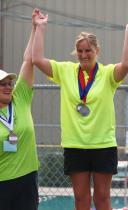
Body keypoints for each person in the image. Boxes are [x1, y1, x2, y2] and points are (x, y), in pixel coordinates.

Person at [32, 10, 128, 210]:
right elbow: (37, 59)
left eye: (88, 50)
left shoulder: (108, 74)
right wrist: (40, 28)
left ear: (96, 51)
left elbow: (127, 64)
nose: (84, 55)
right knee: (81, 199)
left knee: (102, 198)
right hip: (75, 144)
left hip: (102, 144)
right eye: (80, 51)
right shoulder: (65, 71)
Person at [0, 9, 40, 210]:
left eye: (10, 83)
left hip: (27, 178)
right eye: (3, 84)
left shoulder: (20, 98)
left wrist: (35, 28)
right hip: (2, 181)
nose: (8, 87)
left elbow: (29, 61)